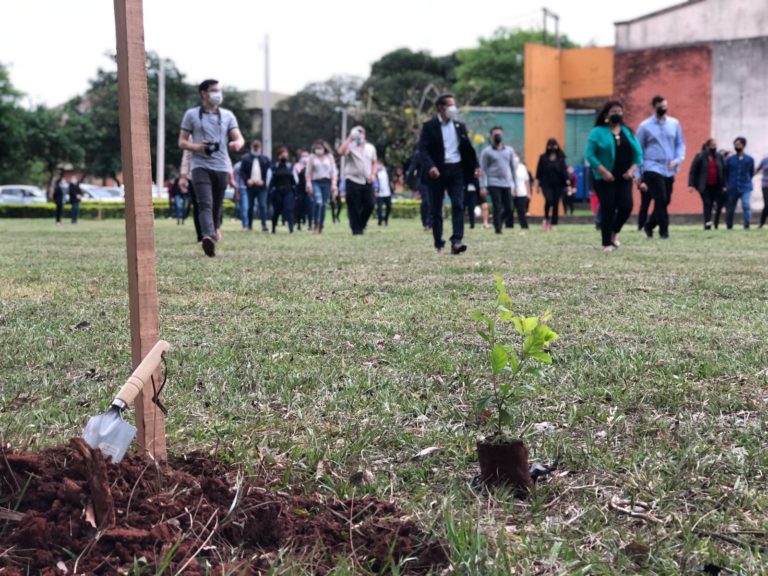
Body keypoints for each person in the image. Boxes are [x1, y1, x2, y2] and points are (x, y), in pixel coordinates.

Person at [178, 79, 245, 257]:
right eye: (213, 90)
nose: (218, 94)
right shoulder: (191, 115)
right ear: (204, 93)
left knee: (216, 206)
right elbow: (182, 141)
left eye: (219, 90)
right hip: (200, 165)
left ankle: (212, 234)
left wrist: (237, 143)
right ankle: (207, 236)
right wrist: (196, 147)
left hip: (221, 166)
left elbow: (239, 137)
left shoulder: (228, 115)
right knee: (205, 204)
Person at [417, 93, 479, 254]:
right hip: (436, 172)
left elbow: (468, 149)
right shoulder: (429, 126)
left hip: (456, 170)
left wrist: (475, 166)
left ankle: (456, 241)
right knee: (436, 209)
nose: (453, 108)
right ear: (440, 108)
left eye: (454, 104)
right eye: (450, 105)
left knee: (458, 204)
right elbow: (422, 150)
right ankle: (439, 242)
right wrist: (430, 166)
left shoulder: (459, 126)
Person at [585, 100, 643, 252]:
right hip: (604, 178)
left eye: (619, 111)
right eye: (613, 111)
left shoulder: (628, 132)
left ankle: (614, 232)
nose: (617, 114)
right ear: (606, 114)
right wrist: (603, 171)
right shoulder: (597, 132)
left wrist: (631, 171)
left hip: (624, 177)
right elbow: (589, 155)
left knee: (626, 206)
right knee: (608, 207)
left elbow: (638, 155)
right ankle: (606, 244)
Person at [636, 95, 686, 239]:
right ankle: (664, 232)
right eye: (660, 106)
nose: (663, 108)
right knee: (661, 198)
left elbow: (680, 144)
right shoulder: (645, 126)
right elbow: (638, 149)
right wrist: (639, 174)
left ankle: (650, 224)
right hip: (652, 166)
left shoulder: (674, 123)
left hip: (669, 168)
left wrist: (678, 159)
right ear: (654, 107)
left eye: (665, 105)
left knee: (666, 200)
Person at [479, 126, 520, 234]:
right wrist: (482, 186)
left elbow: (513, 168)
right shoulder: (486, 152)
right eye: (495, 135)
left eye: (499, 134)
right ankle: (498, 229)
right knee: (497, 206)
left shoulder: (509, 150)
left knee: (509, 208)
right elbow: (482, 170)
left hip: (506, 183)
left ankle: (497, 221)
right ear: (491, 137)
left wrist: (515, 185)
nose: (498, 136)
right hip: (493, 183)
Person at [338, 126, 377, 235]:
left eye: (361, 133)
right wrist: (350, 138)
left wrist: (373, 174)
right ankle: (356, 230)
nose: (359, 135)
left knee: (370, 204)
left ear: (365, 134)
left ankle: (362, 224)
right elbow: (341, 152)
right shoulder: (350, 146)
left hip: (367, 180)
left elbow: (374, 162)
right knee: (354, 206)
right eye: (357, 133)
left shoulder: (371, 148)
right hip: (352, 180)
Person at [687, 139, 726, 230]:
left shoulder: (719, 156)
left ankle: (715, 223)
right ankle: (707, 223)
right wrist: (691, 184)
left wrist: (724, 185)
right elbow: (693, 171)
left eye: (715, 145)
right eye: (712, 145)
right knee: (707, 203)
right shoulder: (700, 156)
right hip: (704, 185)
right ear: (708, 146)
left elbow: (723, 171)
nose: (714, 147)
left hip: (716, 185)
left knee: (715, 204)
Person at [535, 139, 568, 231]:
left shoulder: (560, 158)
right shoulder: (543, 158)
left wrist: (568, 184)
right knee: (549, 200)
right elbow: (538, 172)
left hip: (558, 185)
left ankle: (554, 223)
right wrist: (537, 185)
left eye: (554, 145)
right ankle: (546, 219)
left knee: (556, 203)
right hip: (546, 184)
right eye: (550, 145)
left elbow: (564, 172)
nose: (552, 147)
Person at [306, 140, 338, 233]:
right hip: (315, 182)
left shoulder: (329, 157)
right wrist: (308, 184)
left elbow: (333, 171)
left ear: (324, 148)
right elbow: (308, 172)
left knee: (324, 205)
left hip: (327, 182)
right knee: (318, 202)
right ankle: (316, 223)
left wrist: (334, 184)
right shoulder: (312, 157)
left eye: (320, 148)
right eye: (316, 148)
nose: (318, 150)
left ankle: (321, 224)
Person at [725, 137, 756, 230]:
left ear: (744, 145)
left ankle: (746, 225)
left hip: (745, 186)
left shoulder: (749, 159)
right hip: (733, 186)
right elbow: (726, 173)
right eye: (735, 145)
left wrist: (747, 181)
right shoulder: (730, 160)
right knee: (730, 207)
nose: (737, 146)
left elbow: (751, 172)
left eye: (738, 144)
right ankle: (729, 225)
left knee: (746, 204)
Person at [268, 147, 298, 233]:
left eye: (285, 153)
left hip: (288, 191)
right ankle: (273, 228)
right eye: (282, 154)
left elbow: (295, 180)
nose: (284, 155)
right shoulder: (274, 167)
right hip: (277, 191)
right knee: (277, 210)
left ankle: (291, 229)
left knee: (288, 209)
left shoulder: (291, 167)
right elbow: (269, 180)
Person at [405, 146, 431, 231]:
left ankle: (431, 222)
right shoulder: (419, 154)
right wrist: (412, 184)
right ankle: (425, 222)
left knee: (434, 202)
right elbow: (412, 169)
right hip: (423, 182)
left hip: (434, 181)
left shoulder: (436, 151)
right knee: (426, 202)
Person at [511, 153, 531, 231]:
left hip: (522, 192)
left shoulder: (523, 168)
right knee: (509, 210)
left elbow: (526, 181)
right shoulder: (507, 167)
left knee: (521, 210)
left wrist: (528, 192)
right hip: (510, 192)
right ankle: (509, 226)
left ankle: (524, 226)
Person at [233, 146, 250, 230]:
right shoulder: (237, 166)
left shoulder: (251, 164)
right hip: (242, 188)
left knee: (249, 207)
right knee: (244, 208)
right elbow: (235, 180)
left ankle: (248, 224)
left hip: (251, 187)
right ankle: (245, 225)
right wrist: (236, 191)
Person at [756, 153, 768, 228]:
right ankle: (761, 222)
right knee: (767, 204)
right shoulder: (764, 160)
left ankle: (761, 223)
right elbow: (757, 170)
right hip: (765, 185)